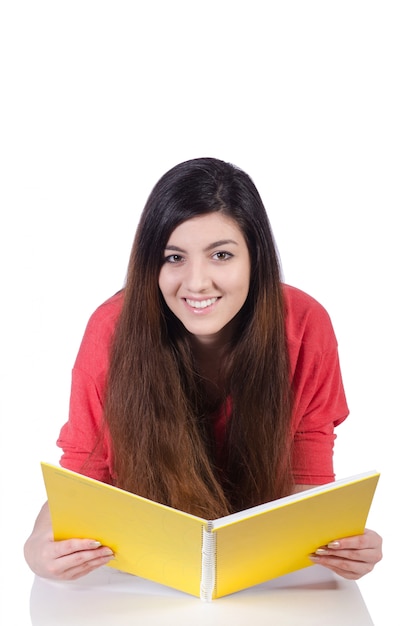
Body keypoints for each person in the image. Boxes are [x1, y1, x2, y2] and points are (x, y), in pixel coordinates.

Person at [24, 157, 382, 583]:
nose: (196, 283)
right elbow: (85, 477)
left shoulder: (303, 325)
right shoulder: (112, 329)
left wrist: (342, 547)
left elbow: (307, 477)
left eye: (221, 255)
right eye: (174, 257)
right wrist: (36, 547)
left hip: (261, 575)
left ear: (256, 259)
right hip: (141, 575)